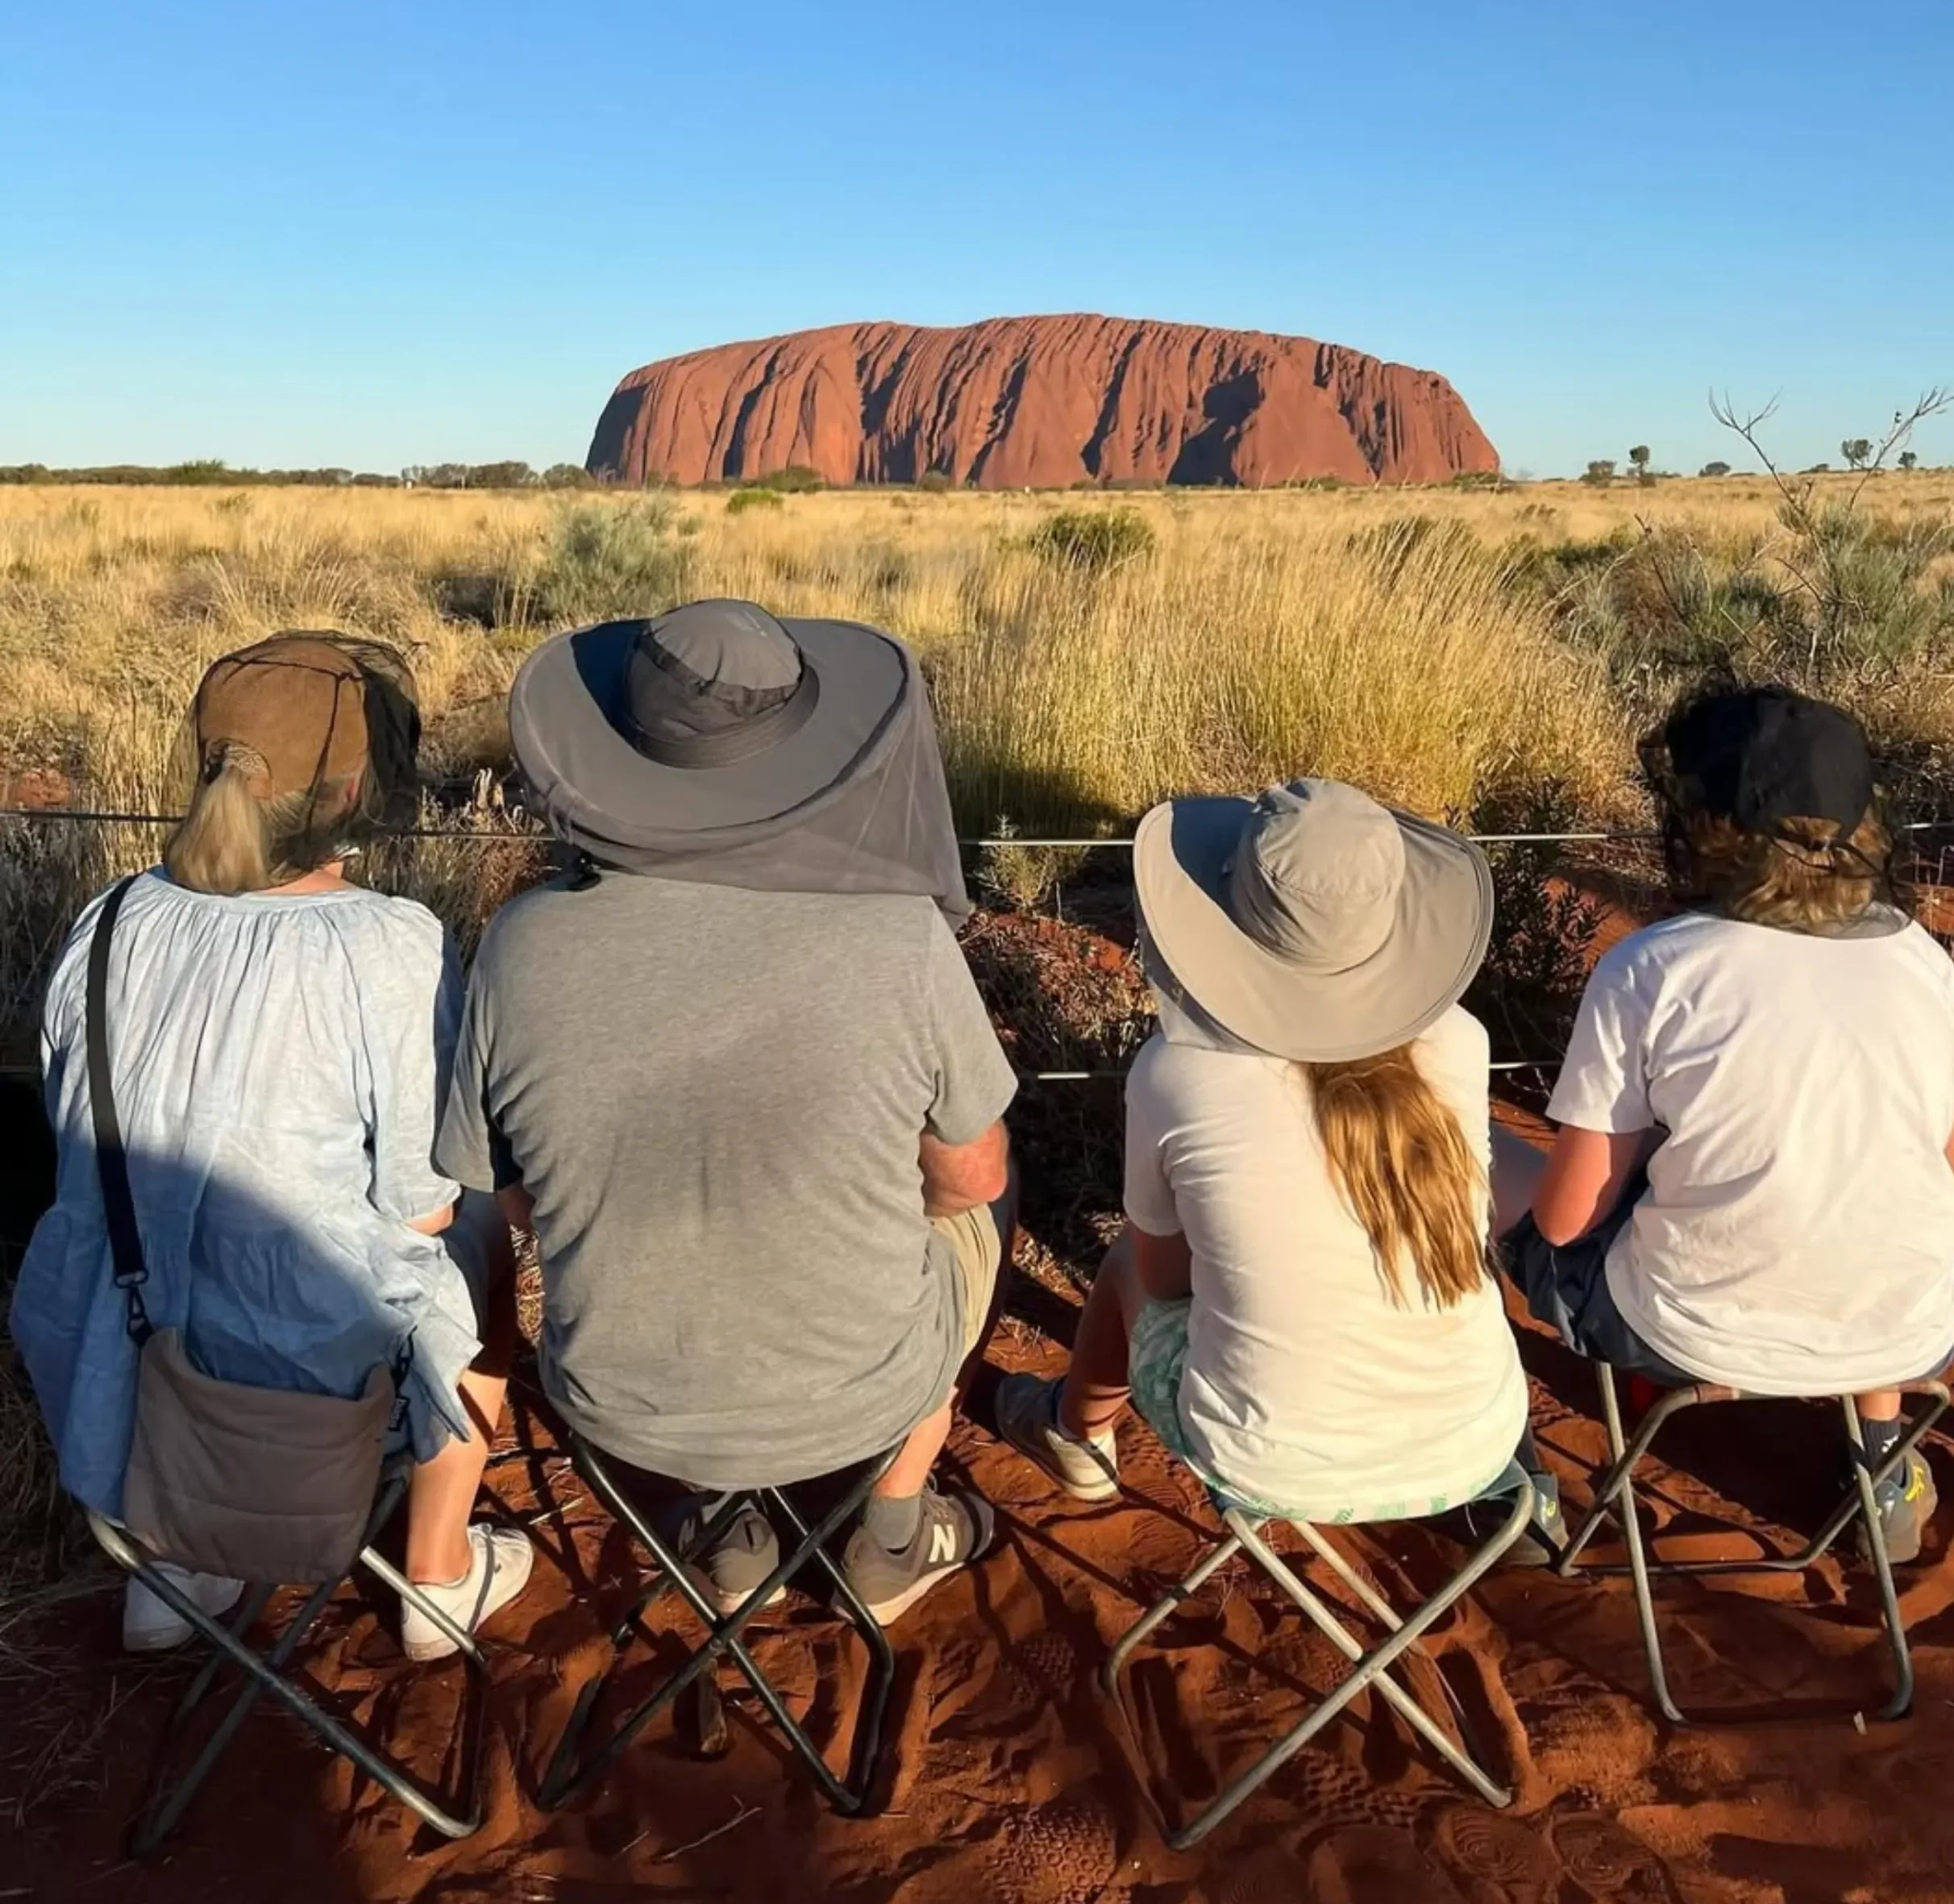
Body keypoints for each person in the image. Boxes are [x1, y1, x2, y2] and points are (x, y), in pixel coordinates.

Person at [435, 598, 1019, 1624]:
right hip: (864, 1386)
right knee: (986, 1212)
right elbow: (969, 1177)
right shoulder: (898, 935)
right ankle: (889, 1527)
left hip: (623, 1403)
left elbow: (517, 1203)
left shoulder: (519, 946)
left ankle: (725, 1525)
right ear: (800, 760)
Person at [10, 634, 532, 1656]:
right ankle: (435, 1574)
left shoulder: (107, 919)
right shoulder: (387, 943)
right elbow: (418, 1201)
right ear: (353, 786)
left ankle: (173, 1571)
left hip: (115, 1363)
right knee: (471, 1243)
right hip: (299, 1387)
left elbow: (70, 1120)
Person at [998, 777, 1554, 1548]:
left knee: (1129, 1262)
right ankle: (1520, 1510)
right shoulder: (1460, 1042)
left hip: (1266, 1460)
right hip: (1478, 1443)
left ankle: (1076, 1434)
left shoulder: (1177, 1073)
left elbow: (1164, 1283)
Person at [1500, 684, 1954, 1561]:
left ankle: (1500, 1488)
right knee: (1874, 1206)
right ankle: (1885, 1471)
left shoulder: (1651, 969)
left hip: (1685, 1326)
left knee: (1471, 1162)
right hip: (1910, 1325)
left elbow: (1565, 1219)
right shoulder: (1925, 963)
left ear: (1705, 825)